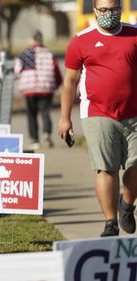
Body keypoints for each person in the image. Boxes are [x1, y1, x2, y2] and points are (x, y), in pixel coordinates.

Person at [57, 0, 137, 237]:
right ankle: (110, 223)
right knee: (106, 168)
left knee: (136, 166)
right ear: (94, 10)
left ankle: (127, 204)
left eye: (113, 9)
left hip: (134, 113)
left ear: (120, 9)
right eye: (103, 10)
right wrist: (64, 118)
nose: (108, 14)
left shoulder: (134, 35)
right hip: (98, 113)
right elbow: (69, 82)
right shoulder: (81, 40)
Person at [15, 30, 62, 150]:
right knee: (45, 111)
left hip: (29, 88)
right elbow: (56, 70)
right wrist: (56, 84)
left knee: (31, 114)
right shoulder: (49, 53)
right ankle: (46, 132)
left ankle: (34, 140)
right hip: (46, 87)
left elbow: (17, 70)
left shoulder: (25, 54)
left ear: (31, 40)